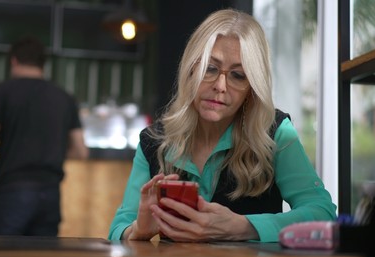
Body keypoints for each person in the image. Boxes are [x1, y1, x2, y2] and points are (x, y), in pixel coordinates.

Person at [108, 9, 337, 243]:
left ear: (251, 88)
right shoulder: (153, 139)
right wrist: (139, 230)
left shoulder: (276, 132)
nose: (221, 85)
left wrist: (244, 227)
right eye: (210, 68)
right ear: (191, 69)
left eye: (238, 75)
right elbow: (119, 228)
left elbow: (323, 214)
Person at [0, 36, 89, 236]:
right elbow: (80, 151)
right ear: (42, 64)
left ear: (14, 60)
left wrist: (5, 147)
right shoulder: (64, 97)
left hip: (12, 190)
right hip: (50, 194)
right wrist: (50, 153)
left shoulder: (2, 91)